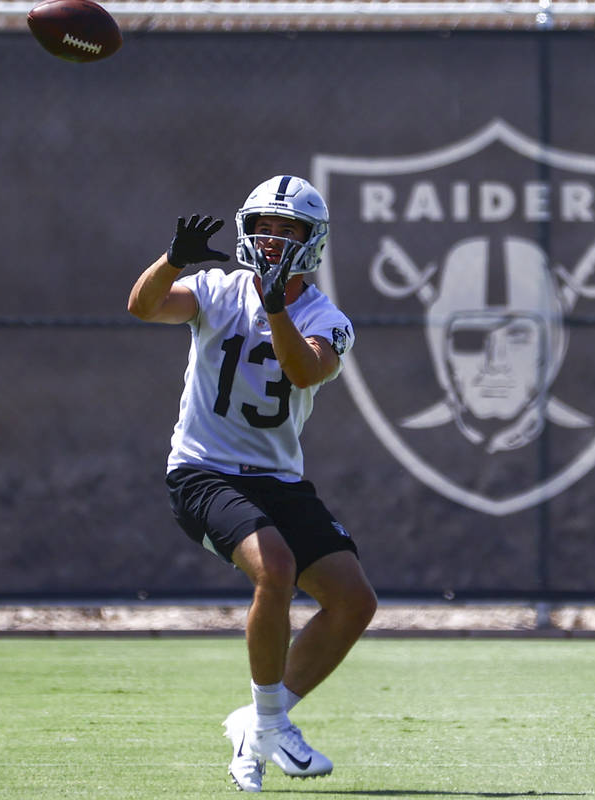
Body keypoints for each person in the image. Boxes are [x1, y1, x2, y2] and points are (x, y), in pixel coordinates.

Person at [127, 175, 378, 793]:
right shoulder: (217, 289)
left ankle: (260, 720)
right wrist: (171, 261)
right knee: (276, 567)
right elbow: (144, 306)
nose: (271, 238)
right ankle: (269, 722)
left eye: (287, 229)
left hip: (278, 479)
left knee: (353, 600)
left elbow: (303, 368)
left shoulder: (328, 317)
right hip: (203, 471)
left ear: (311, 242)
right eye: (264, 225)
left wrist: (275, 308)